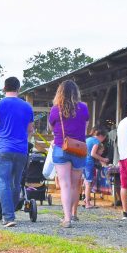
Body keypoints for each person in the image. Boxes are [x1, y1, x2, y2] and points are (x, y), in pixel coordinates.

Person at [0, 77, 34, 228]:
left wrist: (1, 125)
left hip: (3, 149)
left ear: (4, 88)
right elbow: (30, 129)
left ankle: (8, 217)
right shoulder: (27, 107)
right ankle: (10, 212)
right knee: (16, 182)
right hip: (21, 150)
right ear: (18, 88)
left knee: (3, 182)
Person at [49, 79, 89, 228]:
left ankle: (66, 219)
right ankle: (72, 214)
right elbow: (85, 127)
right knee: (74, 185)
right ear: (76, 92)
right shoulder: (83, 108)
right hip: (78, 149)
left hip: (61, 148)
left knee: (65, 184)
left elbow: (52, 128)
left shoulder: (55, 109)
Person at [83, 127, 109, 209]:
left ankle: (85, 199)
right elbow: (93, 154)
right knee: (88, 183)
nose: (103, 140)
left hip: (83, 161)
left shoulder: (88, 139)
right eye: (104, 138)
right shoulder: (96, 142)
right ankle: (87, 203)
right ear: (101, 136)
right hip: (89, 162)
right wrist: (103, 159)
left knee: (86, 181)